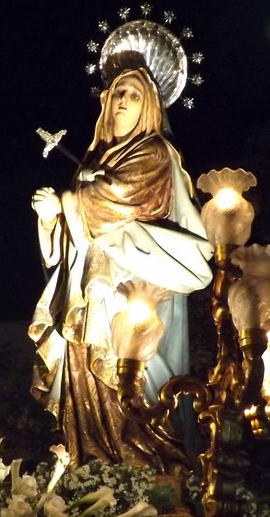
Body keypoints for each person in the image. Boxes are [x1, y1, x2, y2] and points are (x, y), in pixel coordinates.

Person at [28, 58, 213, 476]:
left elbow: (117, 202)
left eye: (132, 95)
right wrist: (50, 218)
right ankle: (93, 467)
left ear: (149, 104)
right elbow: (72, 240)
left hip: (135, 288)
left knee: (132, 385)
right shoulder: (95, 157)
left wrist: (73, 201)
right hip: (89, 292)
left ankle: (143, 470)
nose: (121, 103)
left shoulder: (153, 152)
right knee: (86, 372)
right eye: (116, 95)